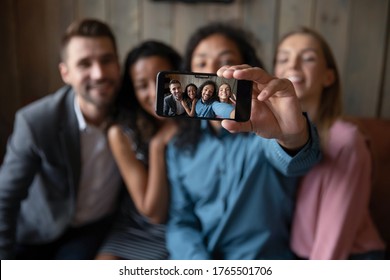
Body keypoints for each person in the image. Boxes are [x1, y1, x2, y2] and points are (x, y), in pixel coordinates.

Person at [165, 22, 322, 260]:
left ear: (242, 70)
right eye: (201, 63)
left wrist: (290, 135)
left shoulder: (264, 131)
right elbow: (180, 220)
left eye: (224, 61)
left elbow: (296, 162)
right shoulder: (179, 148)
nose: (213, 70)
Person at [0, 18, 122, 259]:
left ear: (118, 64)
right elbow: (5, 198)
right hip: (34, 233)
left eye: (107, 60)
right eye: (84, 64)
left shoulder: (134, 113)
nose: (98, 73)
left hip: (91, 232)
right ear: (65, 73)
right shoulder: (36, 122)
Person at [273, 26, 386, 259]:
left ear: (328, 77)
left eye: (308, 58)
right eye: (284, 58)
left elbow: (333, 242)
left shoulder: (346, 140)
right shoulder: (271, 138)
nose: (292, 66)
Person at [96, 40, 181, 260]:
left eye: (161, 81)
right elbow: (151, 211)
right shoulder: (122, 133)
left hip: (180, 226)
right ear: (132, 91)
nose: (155, 93)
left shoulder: (197, 121)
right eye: (142, 85)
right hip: (135, 227)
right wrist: (157, 145)